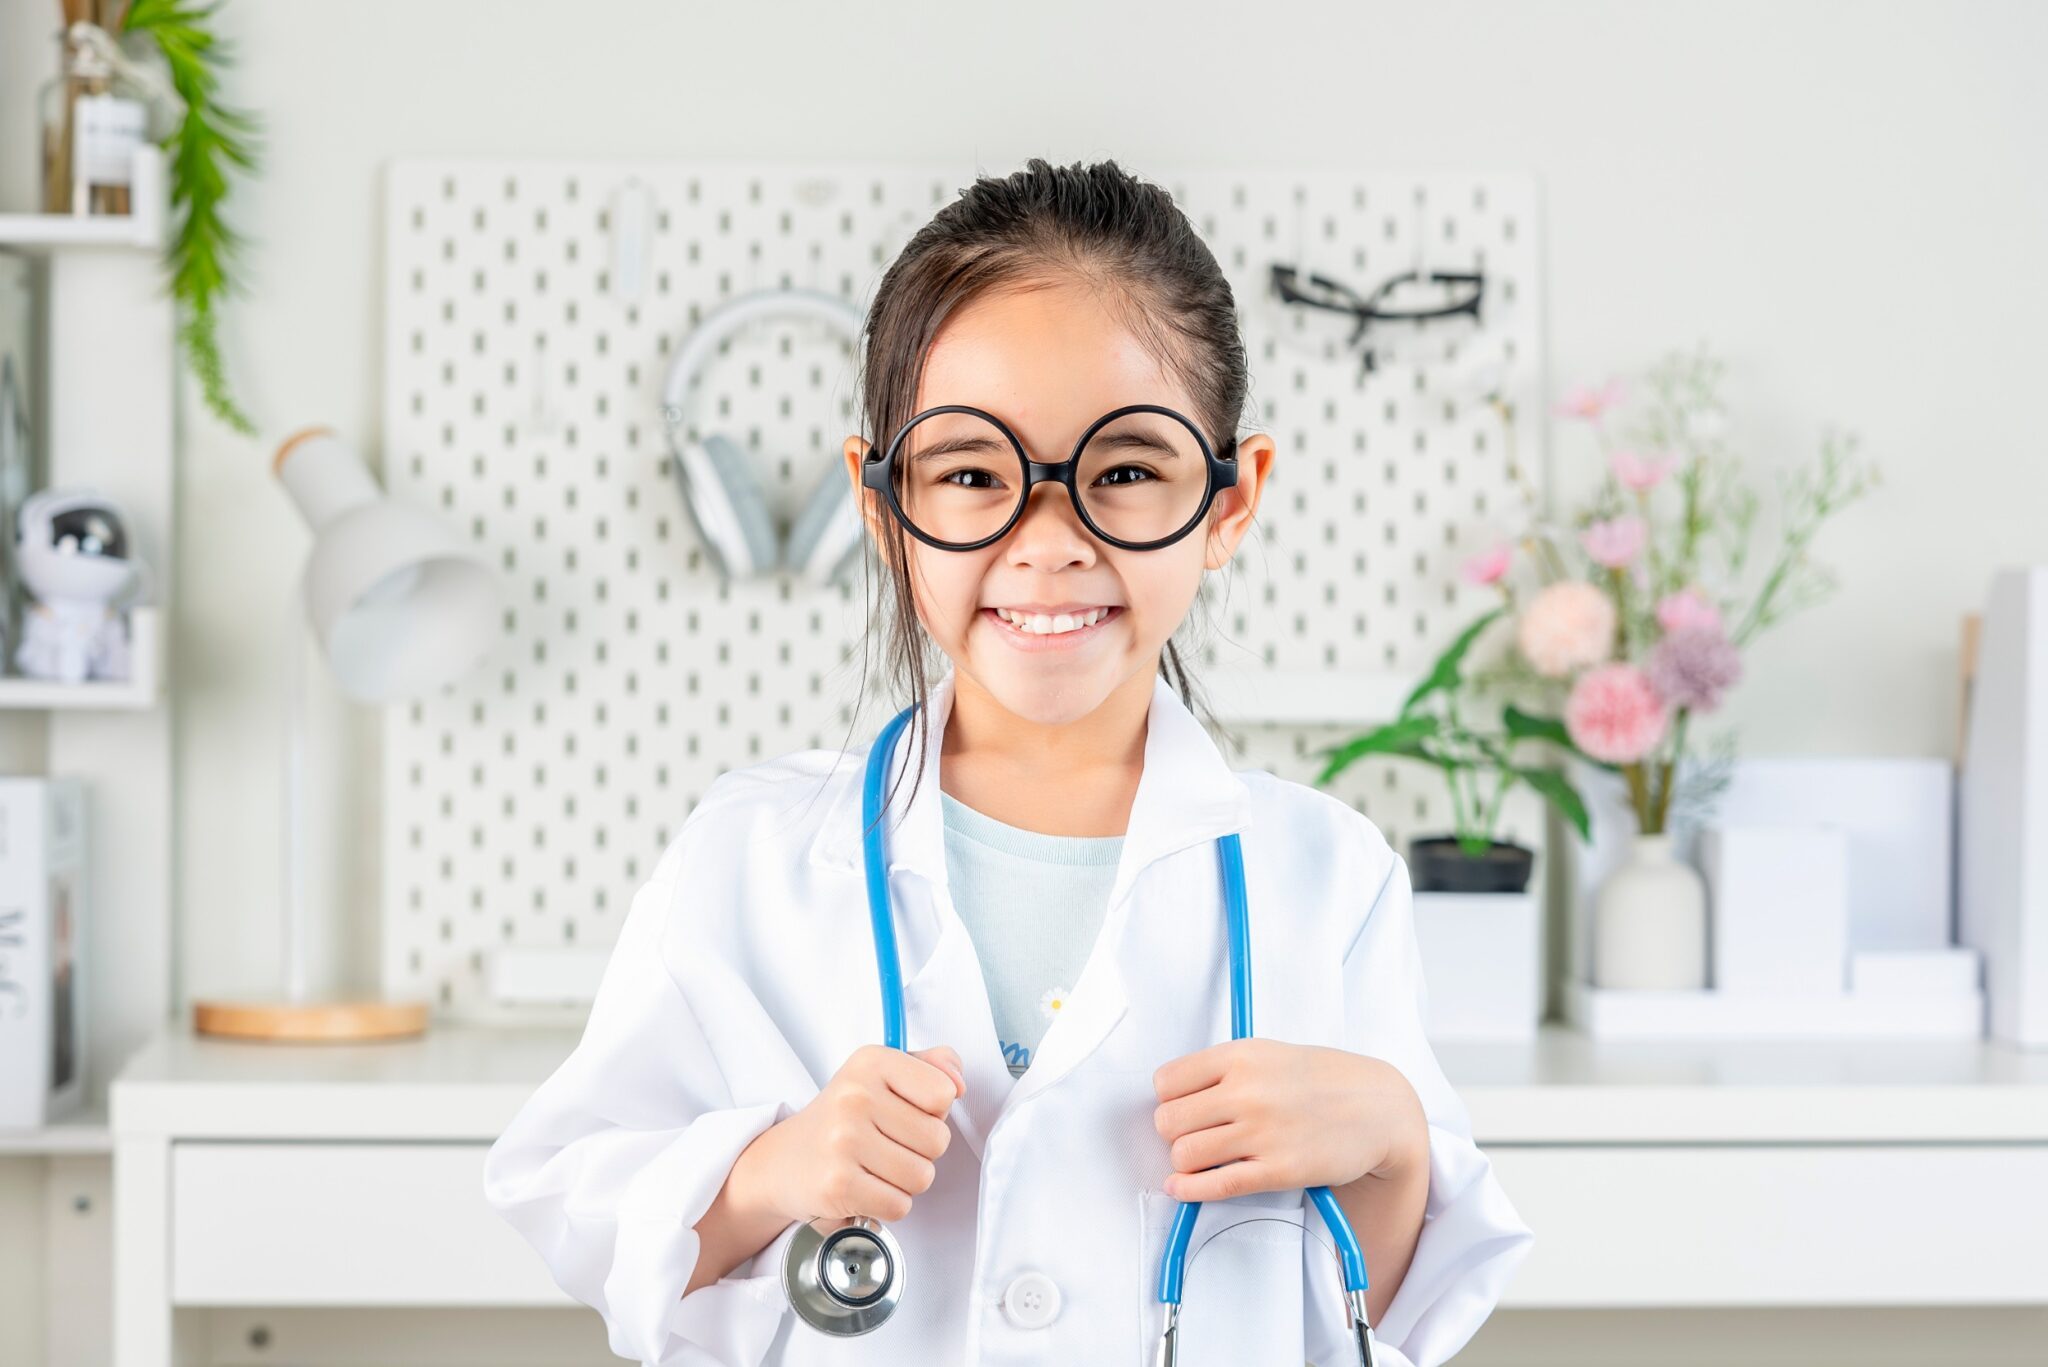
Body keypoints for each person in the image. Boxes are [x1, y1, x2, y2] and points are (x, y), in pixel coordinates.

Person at [484, 157, 1533, 1366]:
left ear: (1230, 501)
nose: (1048, 543)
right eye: (972, 474)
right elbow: (579, 1198)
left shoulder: (1324, 878)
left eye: (1126, 471)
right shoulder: (750, 856)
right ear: (882, 506)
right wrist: (771, 1169)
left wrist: (1391, 1140)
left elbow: (1382, 1312)